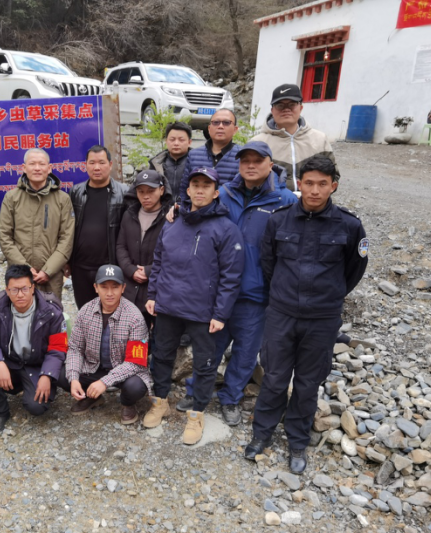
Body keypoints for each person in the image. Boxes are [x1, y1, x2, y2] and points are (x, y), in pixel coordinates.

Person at [244, 156, 367, 474]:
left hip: (322, 319)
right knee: (274, 378)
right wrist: (285, 294)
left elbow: (354, 270)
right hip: (282, 313)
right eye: (309, 183)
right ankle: (262, 433)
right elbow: (268, 263)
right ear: (299, 184)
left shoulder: (350, 226)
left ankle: (297, 441)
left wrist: (329, 296)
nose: (314, 190)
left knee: (308, 383)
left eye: (322, 184)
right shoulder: (279, 220)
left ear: (333, 186)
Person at [176, 142, 297, 423]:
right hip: (218, 291)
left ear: (270, 164)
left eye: (257, 160)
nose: (250, 166)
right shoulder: (224, 193)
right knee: (210, 348)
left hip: (256, 294)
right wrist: (176, 212)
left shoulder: (285, 200)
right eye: (245, 161)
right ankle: (196, 391)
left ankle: (231, 397)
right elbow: (197, 217)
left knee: (245, 352)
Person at [143, 167, 244, 445]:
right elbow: (159, 260)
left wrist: (221, 313)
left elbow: (231, 275)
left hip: (203, 311)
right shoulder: (173, 222)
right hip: (167, 305)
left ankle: (197, 414)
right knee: (162, 356)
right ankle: (160, 402)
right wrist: (153, 295)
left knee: (205, 364)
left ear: (216, 192)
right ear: (187, 190)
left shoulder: (226, 229)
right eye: (195, 184)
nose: (200, 190)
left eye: (206, 185)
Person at [0, 265, 68, 435]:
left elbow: (58, 348)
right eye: (14, 290)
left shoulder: (51, 312)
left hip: (37, 365)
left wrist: (47, 375)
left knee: (36, 407)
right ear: (7, 290)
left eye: (24, 288)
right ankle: (0, 412)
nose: (20, 294)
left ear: (33, 288)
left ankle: (42, 385)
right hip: (9, 362)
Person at [58, 264, 152, 425]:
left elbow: (136, 362)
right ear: (96, 288)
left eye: (115, 287)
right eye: (104, 287)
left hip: (124, 371)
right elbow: (75, 348)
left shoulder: (135, 316)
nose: (109, 293)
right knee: (62, 375)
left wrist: (104, 382)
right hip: (94, 368)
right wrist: (73, 378)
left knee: (135, 387)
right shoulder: (85, 312)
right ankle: (91, 396)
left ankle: (127, 403)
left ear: (123, 288)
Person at [0, 148, 75, 300]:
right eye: (32, 164)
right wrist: (25, 268)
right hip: (19, 274)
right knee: (20, 311)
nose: (37, 168)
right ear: (24, 168)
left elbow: (67, 238)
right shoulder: (12, 198)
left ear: (49, 168)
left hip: (51, 276)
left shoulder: (62, 199)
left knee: (50, 312)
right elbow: (5, 236)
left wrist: (48, 270)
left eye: (41, 164)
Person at [68, 145, 128, 309]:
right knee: (85, 311)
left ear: (110, 164)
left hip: (110, 266)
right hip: (80, 267)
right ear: (85, 165)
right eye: (92, 163)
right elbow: (68, 229)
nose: (96, 167)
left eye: (101, 163)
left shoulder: (124, 193)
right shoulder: (76, 192)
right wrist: (67, 261)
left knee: (110, 310)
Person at [251, 83, 340, 191]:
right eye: (280, 105)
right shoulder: (257, 143)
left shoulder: (320, 139)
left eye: (292, 104)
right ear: (272, 110)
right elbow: (249, 179)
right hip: (272, 201)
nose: (286, 109)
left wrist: (313, 197)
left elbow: (333, 176)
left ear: (300, 108)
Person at [116, 169, 172, 337]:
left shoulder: (170, 218)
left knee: (160, 337)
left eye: (151, 191)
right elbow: (120, 246)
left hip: (158, 287)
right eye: (141, 191)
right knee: (131, 336)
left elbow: (172, 254)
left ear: (161, 190)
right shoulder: (129, 214)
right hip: (131, 285)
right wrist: (131, 270)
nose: (145, 196)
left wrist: (148, 271)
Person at [178, 109, 241, 204]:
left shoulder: (242, 156)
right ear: (209, 128)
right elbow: (184, 189)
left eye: (226, 123)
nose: (220, 126)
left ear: (235, 129)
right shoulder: (194, 154)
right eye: (216, 122)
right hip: (197, 211)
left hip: (228, 211)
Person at [148, 121, 192, 199]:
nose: (176, 143)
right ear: (166, 141)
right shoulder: (156, 164)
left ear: (189, 142)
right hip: (163, 206)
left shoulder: (197, 162)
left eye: (181, 140)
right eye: (172, 139)